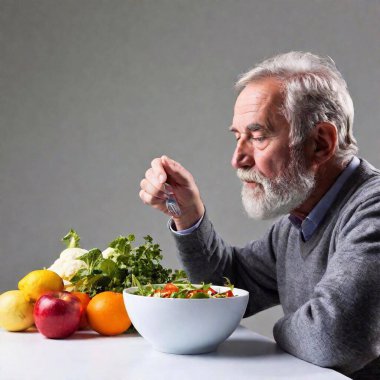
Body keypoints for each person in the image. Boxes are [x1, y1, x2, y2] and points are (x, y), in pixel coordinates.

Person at [139, 51, 380, 379]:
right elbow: (226, 287)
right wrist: (188, 216)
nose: (237, 159)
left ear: (321, 143)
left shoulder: (372, 210)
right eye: (238, 137)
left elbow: (333, 337)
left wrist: (276, 332)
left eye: (257, 136)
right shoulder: (297, 222)